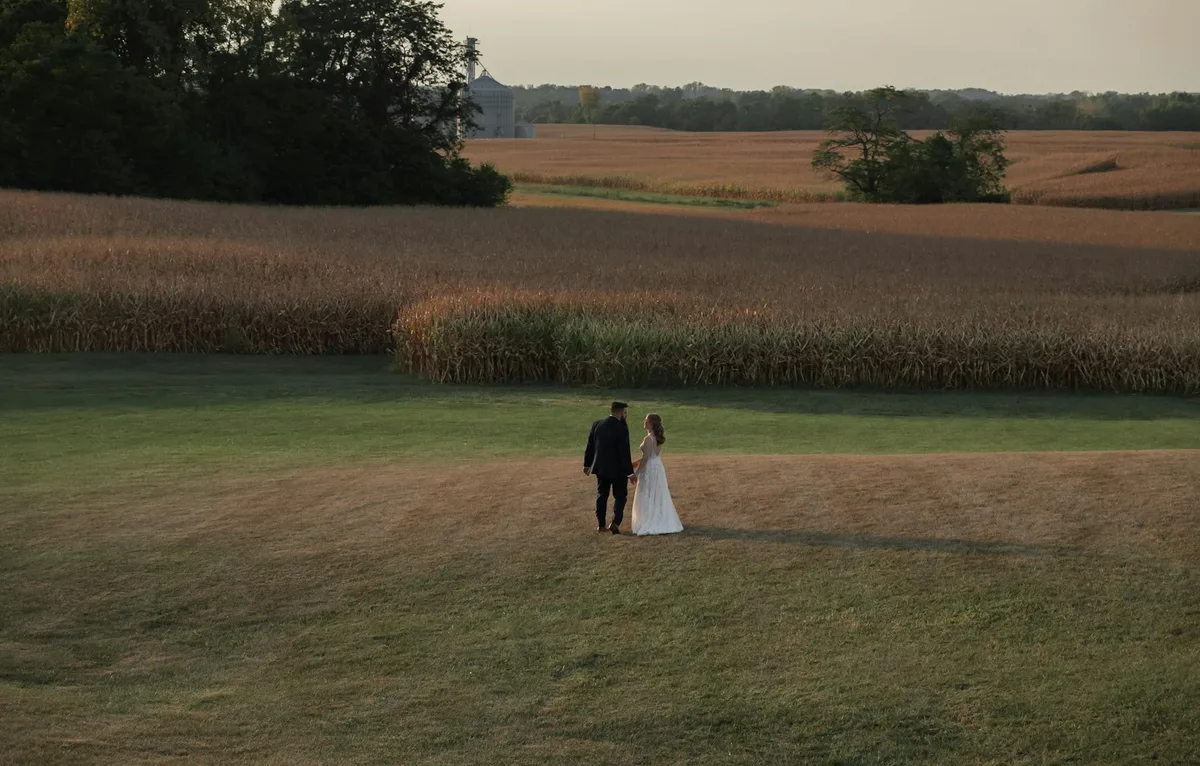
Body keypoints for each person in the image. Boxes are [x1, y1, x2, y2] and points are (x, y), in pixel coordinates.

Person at [583, 401, 636, 534]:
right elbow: (624, 452)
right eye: (625, 413)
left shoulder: (597, 424)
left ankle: (601, 524)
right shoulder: (621, 428)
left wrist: (587, 464)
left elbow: (590, 446)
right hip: (618, 470)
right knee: (620, 496)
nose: (626, 415)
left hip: (601, 468)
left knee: (602, 494)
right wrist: (630, 473)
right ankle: (615, 522)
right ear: (619, 412)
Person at [630, 413, 684, 536]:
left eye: (646, 420)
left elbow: (646, 458)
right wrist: (636, 463)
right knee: (657, 492)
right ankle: (658, 516)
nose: (644, 422)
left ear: (651, 423)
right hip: (657, 466)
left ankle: (649, 519)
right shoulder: (657, 438)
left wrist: (636, 473)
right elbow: (650, 455)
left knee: (647, 492)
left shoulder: (648, 439)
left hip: (650, 468)